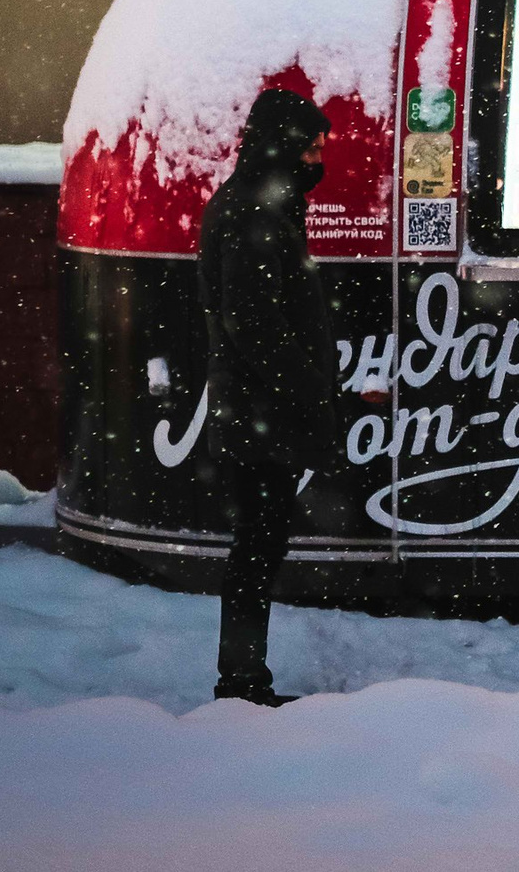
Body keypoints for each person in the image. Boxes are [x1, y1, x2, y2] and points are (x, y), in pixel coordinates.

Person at [199, 86, 337, 705]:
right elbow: (253, 323)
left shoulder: (262, 204)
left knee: (259, 546)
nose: (317, 159)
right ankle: (241, 683)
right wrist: (310, 392)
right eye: (310, 148)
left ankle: (243, 678)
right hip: (260, 413)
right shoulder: (253, 212)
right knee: (257, 549)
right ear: (282, 146)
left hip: (260, 409)